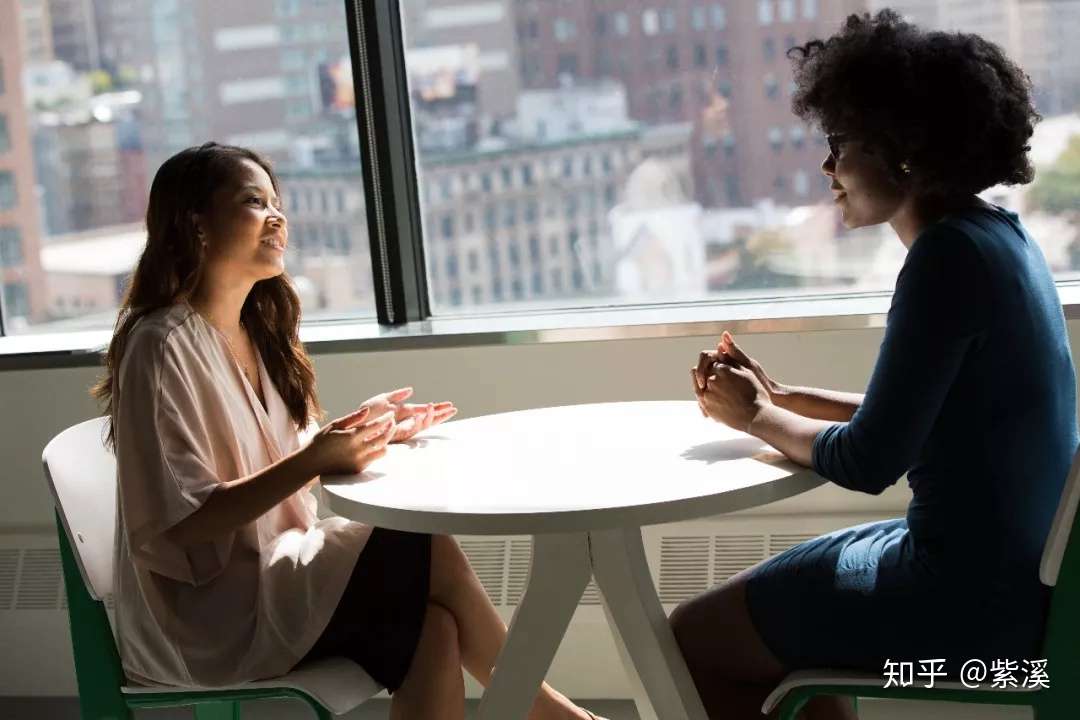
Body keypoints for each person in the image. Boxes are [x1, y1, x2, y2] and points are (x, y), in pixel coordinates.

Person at [91, 142, 606, 720]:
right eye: (253, 202)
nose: (277, 216)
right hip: (209, 618)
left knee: (431, 627)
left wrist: (363, 432)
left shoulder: (257, 335)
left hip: (275, 578)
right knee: (422, 542)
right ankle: (556, 714)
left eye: (276, 201)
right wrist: (314, 459)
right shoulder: (161, 345)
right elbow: (181, 524)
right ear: (196, 223)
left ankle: (552, 713)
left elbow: (282, 459)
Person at [670, 10, 1078, 720]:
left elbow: (869, 461)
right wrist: (786, 396)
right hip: (1023, 584)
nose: (828, 167)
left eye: (841, 142)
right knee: (780, 613)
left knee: (687, 638)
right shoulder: (999, 238)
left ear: (904, 153)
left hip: (969, 608)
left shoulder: (944, 262)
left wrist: (757, 416)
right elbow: (928, 416)